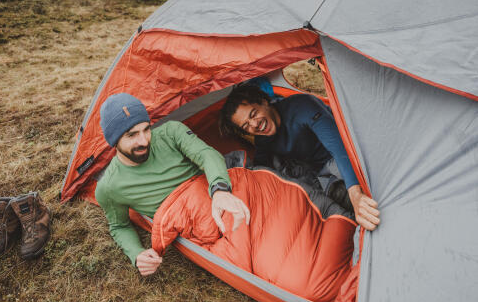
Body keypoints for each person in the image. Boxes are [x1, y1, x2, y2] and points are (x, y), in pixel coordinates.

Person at [95, 93, 250, 277]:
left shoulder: (171, 132)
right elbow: (119, 226)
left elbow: (206, 154)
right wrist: (137, 254)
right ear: (113, 141)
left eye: (146, 129)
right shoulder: (109, 187)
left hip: (220, 194)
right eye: (132, 135)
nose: (144, 140)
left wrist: (220, 190)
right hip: (194, 223)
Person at [219, 84, 380, 231]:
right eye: (246, 126)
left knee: (368, 198)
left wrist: (355, 194)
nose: (254, 125)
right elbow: (260, 171)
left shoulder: (302, 106)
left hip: (348, 156)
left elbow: (339, 148)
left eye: (253, 114)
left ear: (264, 102)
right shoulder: (264, 139)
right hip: (322, 177)